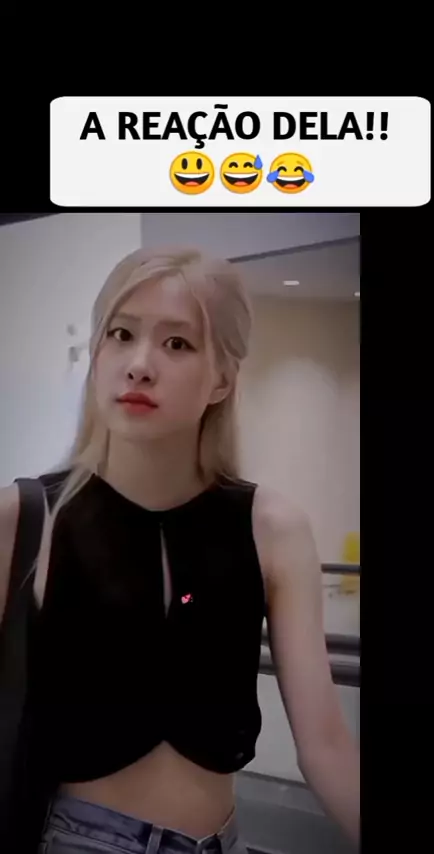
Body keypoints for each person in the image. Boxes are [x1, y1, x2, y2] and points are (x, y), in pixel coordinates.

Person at [0, 247, 360, 853]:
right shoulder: (25, 518)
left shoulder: (272, 528)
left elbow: (325, 744)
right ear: (97, 353)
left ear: (222, 379)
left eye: (178, 344)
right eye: (121, 334)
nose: (140, 365)